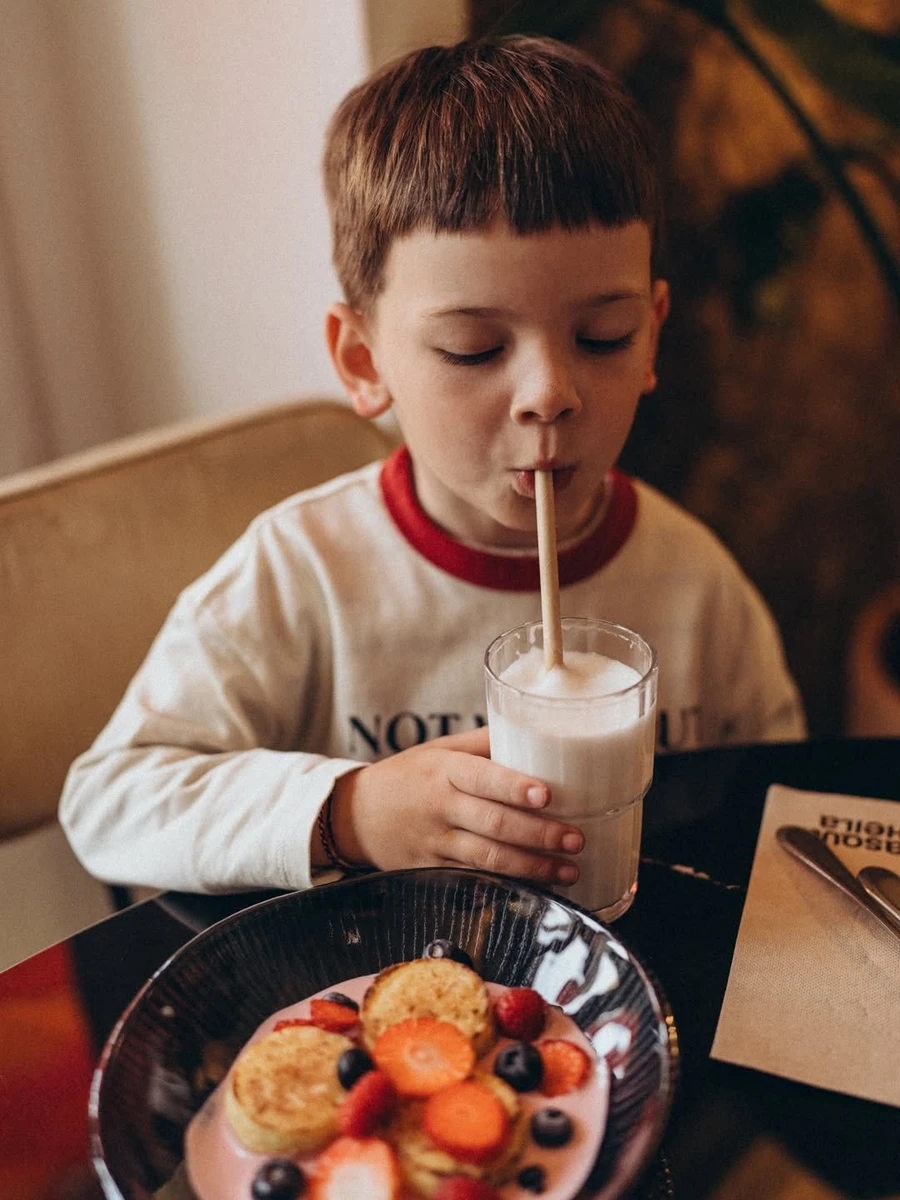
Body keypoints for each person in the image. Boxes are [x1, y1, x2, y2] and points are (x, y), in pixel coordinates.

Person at [60, 36, 805, 896]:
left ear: (654, 336)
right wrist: (351, 814)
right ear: (365, 361)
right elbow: (109, 801)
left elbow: (781, 803)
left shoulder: (696, 586)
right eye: (472, 348)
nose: (549, 394)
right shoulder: (304, 577)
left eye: (603, 336)